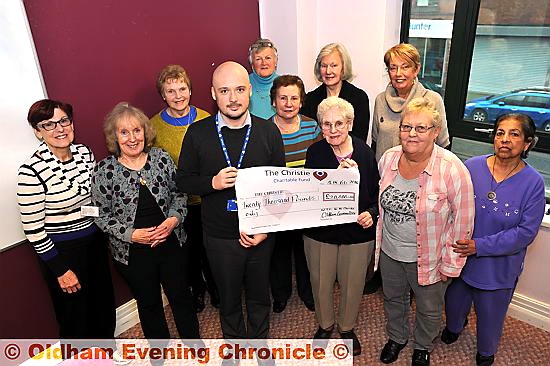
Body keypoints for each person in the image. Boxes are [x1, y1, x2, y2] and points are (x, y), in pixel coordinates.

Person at [176, 61, 285, 342]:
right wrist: (211, 183)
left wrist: (267, 230)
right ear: (213, 94)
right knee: (229, 298)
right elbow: (183, 180)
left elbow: (280, 186)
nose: (233, 98)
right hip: (219, 236)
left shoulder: (269, 131)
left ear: (250, 91)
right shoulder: (198, 133)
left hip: (261, 233)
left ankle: (260, 345)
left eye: (239, 89)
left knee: (260, 297)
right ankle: (234, 346)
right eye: (224, 91)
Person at [376, 97, 474, 366]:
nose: (412, 134)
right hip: (390, 252)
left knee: (429, 309)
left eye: (421, 128)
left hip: (431, 257)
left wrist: (452, 265)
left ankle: (423, 346)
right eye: (407, 127)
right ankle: (397, 337)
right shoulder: (388, 159)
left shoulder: (453, 169)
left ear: (435, 132)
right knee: (393, 299)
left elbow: (463, 222)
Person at [91, 103, 199, 347]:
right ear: (114, 137)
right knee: (148, 302)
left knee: (181, 295)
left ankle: (193, 341)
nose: (132, 138)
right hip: (133, 252)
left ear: (145, 132)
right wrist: (132, 234)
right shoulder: (104, 170)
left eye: (137, 131)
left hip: (172, 242)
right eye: (124, 132)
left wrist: (173, 220)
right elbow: (100, 215)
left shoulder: (161, 158)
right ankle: (159, 348)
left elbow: (179, 193)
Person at [442, 113, 545, 366]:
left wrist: (480, 246)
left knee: (491, 318)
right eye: (500, 133)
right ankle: (456, 327)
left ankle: (486, 351)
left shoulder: (534, 183)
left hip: (498, 268)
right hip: (461, 259)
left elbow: (525, 233)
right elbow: (451, 204)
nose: (505, 140)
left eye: (514, 134)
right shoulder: (472, 166)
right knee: (453, 305)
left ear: (528, 142)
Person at [17, 99, 115, 340]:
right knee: (74, 315)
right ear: (37, 132)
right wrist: (60, 270)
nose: (59, 129)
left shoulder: (84, 153)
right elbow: (33, 230)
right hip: (62, 252)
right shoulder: (30, 171)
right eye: (48, 125)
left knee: (103, 305)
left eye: (63, 121)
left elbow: (93, 198)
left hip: (93, 242)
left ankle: (107, 354)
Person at [303, 96, 379, 357]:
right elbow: (308, 193)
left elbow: (376, 196)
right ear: (320, 126)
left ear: (350, 124)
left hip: (357, 233)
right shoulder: (315, 153)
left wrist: (371, 213)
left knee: (353, 283)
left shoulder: (365, 153)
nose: (333, 130)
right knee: (320, 282)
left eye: (339, 123)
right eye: (326, 124)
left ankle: (347, 329)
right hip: (321, 233)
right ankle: (325, 325)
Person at [150, 64, 219, 312]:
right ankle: (197, 291)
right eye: (171, 91)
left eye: (182, 89)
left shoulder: (206, 119)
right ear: (163, 95)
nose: (178, 96)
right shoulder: (154, 127)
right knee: (188, 255)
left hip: (208, 198)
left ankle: (216, 290)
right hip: (176, 205)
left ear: (190, 90)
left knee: (211, 249)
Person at [268, 74, 321, 313]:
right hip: (277, 205)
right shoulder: (264, 130)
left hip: (306, 203)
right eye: (282, 98)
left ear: (301, 102)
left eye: (294, 98)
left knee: (305, 252)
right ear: (273, 101)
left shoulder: (312, 127)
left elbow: (321, 163)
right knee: (279, 252)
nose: (288, 103)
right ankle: (280, 294)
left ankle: (307, 293)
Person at [372, 43, 450, 162]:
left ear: (416, 69)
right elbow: (375, 142)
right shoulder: (380, 100)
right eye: (393, 68)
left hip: (421, 175)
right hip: (385, 174)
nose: (398, 73)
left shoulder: (433, 100)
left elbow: (443, 145)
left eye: (405, 67)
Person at [300, 43, 370, 141]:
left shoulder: (359, 97)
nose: (328, 71)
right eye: (324, 66)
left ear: (343, 68)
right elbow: (308, 136)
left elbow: (360, 138)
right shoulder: (310, 99)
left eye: (334, 65)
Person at [248, 38, 279, 119]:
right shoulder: (243, 85)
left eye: (268, 58)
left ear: (275, 62)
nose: (264, 63)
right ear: (252, 64)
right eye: (258, 59)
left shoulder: (285, 84)